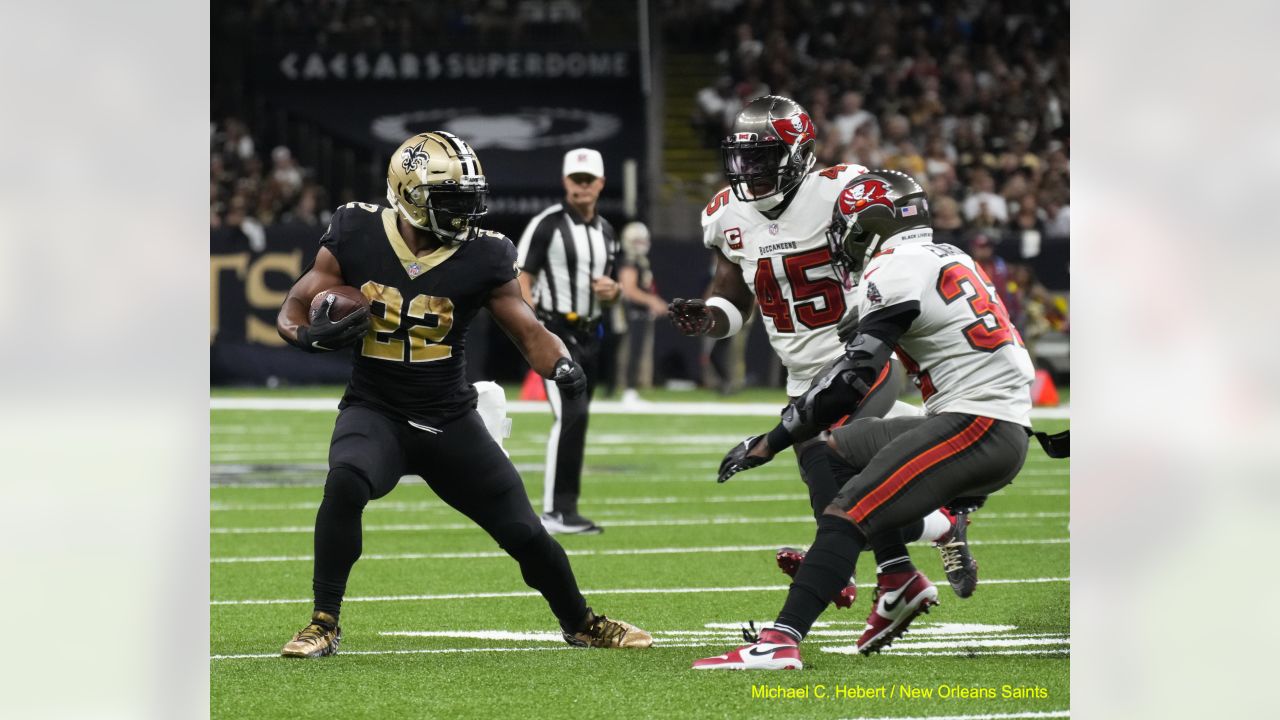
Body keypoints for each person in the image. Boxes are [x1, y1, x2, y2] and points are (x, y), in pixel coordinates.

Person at [275, 131, 651, 658]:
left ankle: (581, 621)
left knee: (524, 531)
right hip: (375, 408)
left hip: (449, 419)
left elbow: (527, 330)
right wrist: (305, 336)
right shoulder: (357, 228)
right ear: (407, 194)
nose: (463, 212)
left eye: (467, 198)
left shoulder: (486, 253)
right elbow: (295, 304)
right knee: (345, 484)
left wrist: (561, 364)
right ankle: (323, 621)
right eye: (449, 199)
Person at [693, 170, 1035, 670]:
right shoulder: (948, 255)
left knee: (847, 512)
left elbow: (852, 379)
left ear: (871, 224)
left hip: (976, 425)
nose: (843, 237)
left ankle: (782, 640)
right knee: (834, 451)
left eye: (848, 226)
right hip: (984, 420)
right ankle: (899, 574)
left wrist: (772, 440)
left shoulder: (893, 267)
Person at [667, 96, 975, 607]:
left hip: (861, 357)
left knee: (821, 457)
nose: (750, 170)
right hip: (800, 373)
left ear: (798, 153)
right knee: (843, 479)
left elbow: (902, 243)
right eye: (743, 158)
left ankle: (853, 571)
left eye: (763, 157)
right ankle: (937, 524)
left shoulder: (841, 190)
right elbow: (733, 298)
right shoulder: (724, 214)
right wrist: (710, 316)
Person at [515, 148, 622, 535]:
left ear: (600, 183)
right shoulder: (547, 224)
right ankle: (555, 512)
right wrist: (533, 330)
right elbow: (522, 277)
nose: (582, 187)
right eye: (575, 180)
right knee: (571, 416)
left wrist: (613, 291)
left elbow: (609, 286)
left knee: (579, 418)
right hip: (555, 333)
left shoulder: (606, 231)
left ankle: (566, 508)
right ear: (565, 182)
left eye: (588, 180)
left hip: (590, 333)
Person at [615, 221, 667, 402]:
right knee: (631, 351)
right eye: (637, 241)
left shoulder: (640, 261)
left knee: (638, 352)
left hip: (640, 313)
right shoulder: (630, 262)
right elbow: (629, 290)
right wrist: (652, 300)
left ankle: (632, 388)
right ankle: (627, 389)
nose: (642, 244)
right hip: (631, 313)